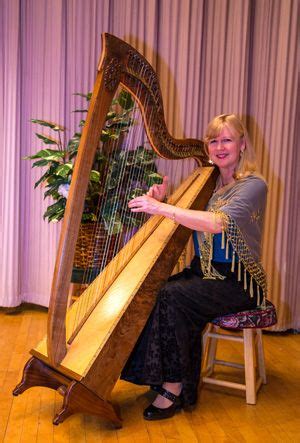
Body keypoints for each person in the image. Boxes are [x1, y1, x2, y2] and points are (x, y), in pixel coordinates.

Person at [121, 114, 268, 420]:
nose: (219, 146)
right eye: (213, 140)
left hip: (238, 282)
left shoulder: (254, 185)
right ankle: (156, 374)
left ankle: (174, 387)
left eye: (226, 139)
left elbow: (217, 223)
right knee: (154, 290)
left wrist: (163, 207)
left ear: (242, 144)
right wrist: (166, 201)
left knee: (173, 296)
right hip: (204, 272)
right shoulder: (208, 186)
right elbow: (183, 223)